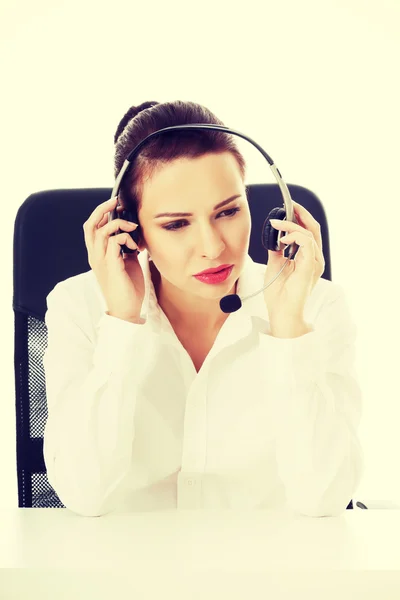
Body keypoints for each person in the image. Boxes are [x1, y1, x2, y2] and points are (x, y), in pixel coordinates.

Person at [42, 100, 364, 517]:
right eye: (176, 224)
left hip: (270, 572)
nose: (214, 248)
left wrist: (287, 330)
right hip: (129, 571)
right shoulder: (79, 307)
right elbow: (84, 494)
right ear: (130, 228)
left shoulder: (316, 307)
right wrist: (122, 321)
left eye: (228, 211)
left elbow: (326, 498)